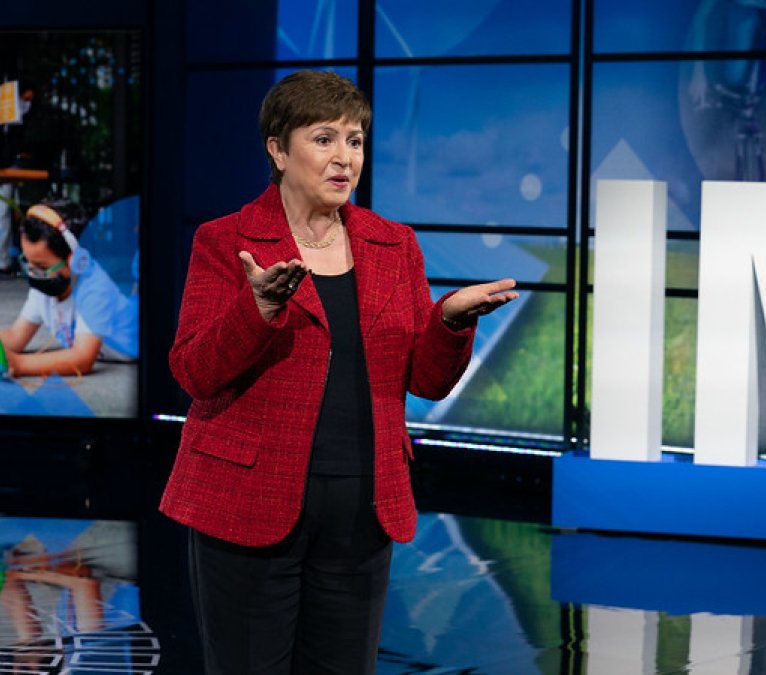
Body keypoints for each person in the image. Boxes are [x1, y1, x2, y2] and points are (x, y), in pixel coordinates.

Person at [157, 69, 518, 674]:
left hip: (362, 509)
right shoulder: (225, 241)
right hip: (249, 501)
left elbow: (426, 382)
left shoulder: (393, 245)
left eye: (355, 140)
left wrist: (450, 323)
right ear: (277, 148)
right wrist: (259, 310)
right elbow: (193, 371)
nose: (344, 158)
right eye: (324, 139)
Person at [0, 199, 139, 377]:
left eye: (42, 267)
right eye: (28, 263)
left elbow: (82, 359)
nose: (33, 273)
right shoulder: (44, 283)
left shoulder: (95, 289)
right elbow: (15, 336)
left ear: (77, 261)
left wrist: (18, 363)